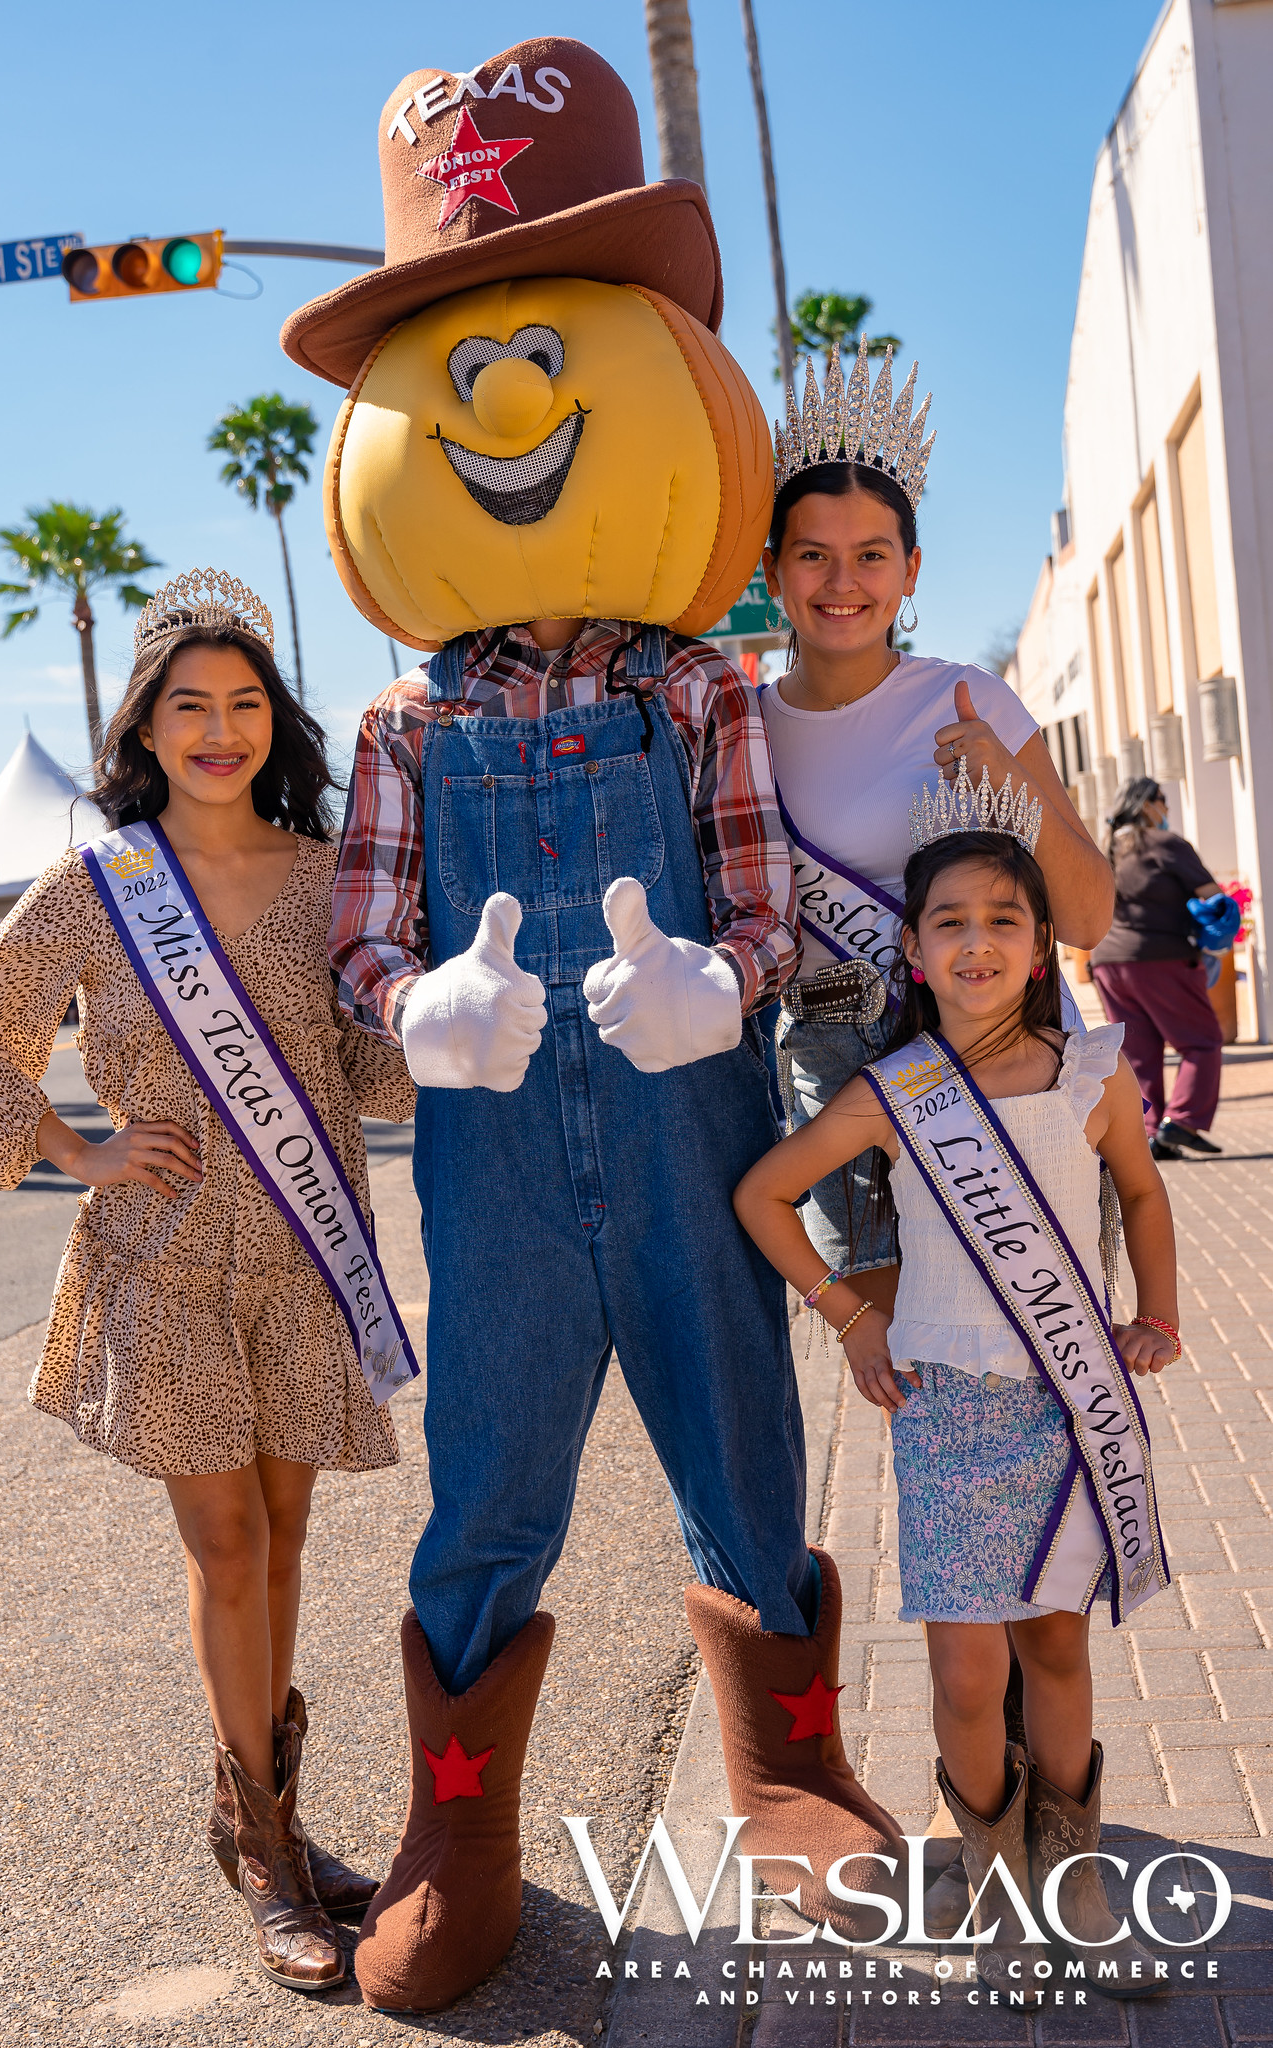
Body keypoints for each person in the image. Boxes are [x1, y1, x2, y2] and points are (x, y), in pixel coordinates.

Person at [282, 36, 903, 2013]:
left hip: (686, 1139)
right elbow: (364, 945)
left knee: (737, 1428)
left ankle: (788, 1772)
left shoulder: (701, 691)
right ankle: (454, 1827)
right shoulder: (404, 722)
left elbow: (750, 902)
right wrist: (418, 1009)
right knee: (487, 1477)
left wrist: (711, 980)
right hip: (492, 1173)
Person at [0, 572, 415, 1992]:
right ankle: (267, 1852)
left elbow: (369, 1068)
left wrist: (437, 1009)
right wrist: (75, 1149)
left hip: (308, 1254)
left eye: (245, 702)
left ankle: (261, 1811)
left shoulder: (331, 879)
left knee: (284, 1532)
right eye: (190, 705)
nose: (220, 729)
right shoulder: (98, 885)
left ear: (276, 722)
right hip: (170, 1258)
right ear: (147, 723)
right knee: (226, 1548)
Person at [735, 786, 1176, 1997]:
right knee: (970, 1671)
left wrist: (1162, 1314)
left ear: (1041, 944)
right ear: (915, 955)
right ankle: (988, 1866)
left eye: (1003, 918)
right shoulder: (898, 1088)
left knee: (1061, 1649)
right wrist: (846, 1312)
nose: (976, 940)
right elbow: (765, 1192)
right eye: (948, 922)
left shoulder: (1092, 1067)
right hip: (950, 1408)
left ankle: (1072, 1869)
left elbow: (1140, 1193)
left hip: (1068, 1401)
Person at [760, 342, 1114, 1326]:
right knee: (907, 1379)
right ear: (775, 569)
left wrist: (1011, 785)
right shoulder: (739, 728)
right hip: (841, 1086)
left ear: (910, 567)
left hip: (997, 1073)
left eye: (872, 553)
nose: (844, 581)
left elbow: (1087, 916)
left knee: (1031, 1361)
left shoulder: (974, 700)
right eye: (813, 554)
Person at [1088, 776, 1230, 1160]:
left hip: (1106, 963)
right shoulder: (1166, 845)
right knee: (1200, 1041)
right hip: (1160, 959)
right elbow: (1213, 900)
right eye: (1163, 800)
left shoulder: (1104, 850)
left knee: (1139, 1054)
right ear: (1147, 804)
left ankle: (1152, 1134)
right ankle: (1181, 1122)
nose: (1166, 809)